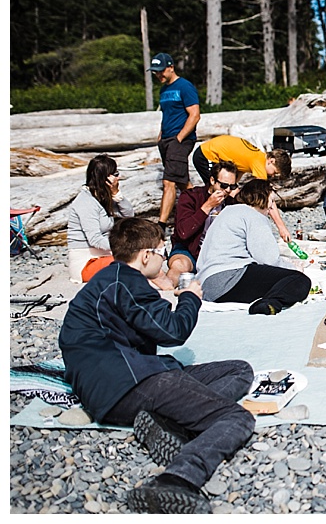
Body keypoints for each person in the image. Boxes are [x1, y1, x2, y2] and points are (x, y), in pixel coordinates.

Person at [58, 217, 255, 514]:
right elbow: (173, 331)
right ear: (145, 255)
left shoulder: (109, 278)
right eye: (162, 252)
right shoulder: (128, 283)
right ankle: (177, 479)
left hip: (113, 380)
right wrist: (190, 299)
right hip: (127, 384)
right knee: (236, 419)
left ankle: (171, 426)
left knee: (239, 369)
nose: (164, 260)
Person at [195, 179, 311, 315]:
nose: (272, 207)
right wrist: (295, 269)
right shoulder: (253, 215)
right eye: (271, 201)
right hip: (229, 279)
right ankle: (270, 303)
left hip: (206, 284)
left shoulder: (228, 212)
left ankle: (266, 301)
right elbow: (269, 259)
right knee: (299, 281)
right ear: (262, 196)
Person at [190, 134, 293, 241]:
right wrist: (281, 227)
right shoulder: (259, 162)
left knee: (231, 193)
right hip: (206, 155)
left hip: (212, 152)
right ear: (271, 160)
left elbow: (235, 181)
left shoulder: (255, 157)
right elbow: (267, 197)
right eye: (275, 173)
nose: (272, 176)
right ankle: (206, 227)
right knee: (219, 189)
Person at [167, 161, 240, 287]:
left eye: (232, 187)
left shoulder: (231, 203)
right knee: (179, 265)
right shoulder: (191, 196)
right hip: (189, 249)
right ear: (212, 180)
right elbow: (183, 232)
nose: (227, 190)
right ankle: (163, 292)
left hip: (217, 253)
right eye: (223, 185)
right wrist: (207, 206)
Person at [66, 154, 138, 282]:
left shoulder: (104, 197)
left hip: (106, 255)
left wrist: (117, 194)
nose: (118, 177)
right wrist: (123, 247)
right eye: (114, 174)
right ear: (104, 178)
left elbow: (129, 216)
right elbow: (95, 239)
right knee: (132, 262)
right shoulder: (86, 201)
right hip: (87, 261)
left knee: (141, 260)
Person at [150, 52, 201, 229]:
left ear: (171, 67)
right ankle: (201, 209)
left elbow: (194, 115)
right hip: (166, 139)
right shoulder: (164, 89)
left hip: (180, 140)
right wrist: (160, 136)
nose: (158, 75)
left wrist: (179, 138)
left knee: (168, 182)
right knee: (180, 180)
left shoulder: (185, 87)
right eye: (155, 72)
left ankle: (161, 226)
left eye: (161, 71)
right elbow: (167, 114)